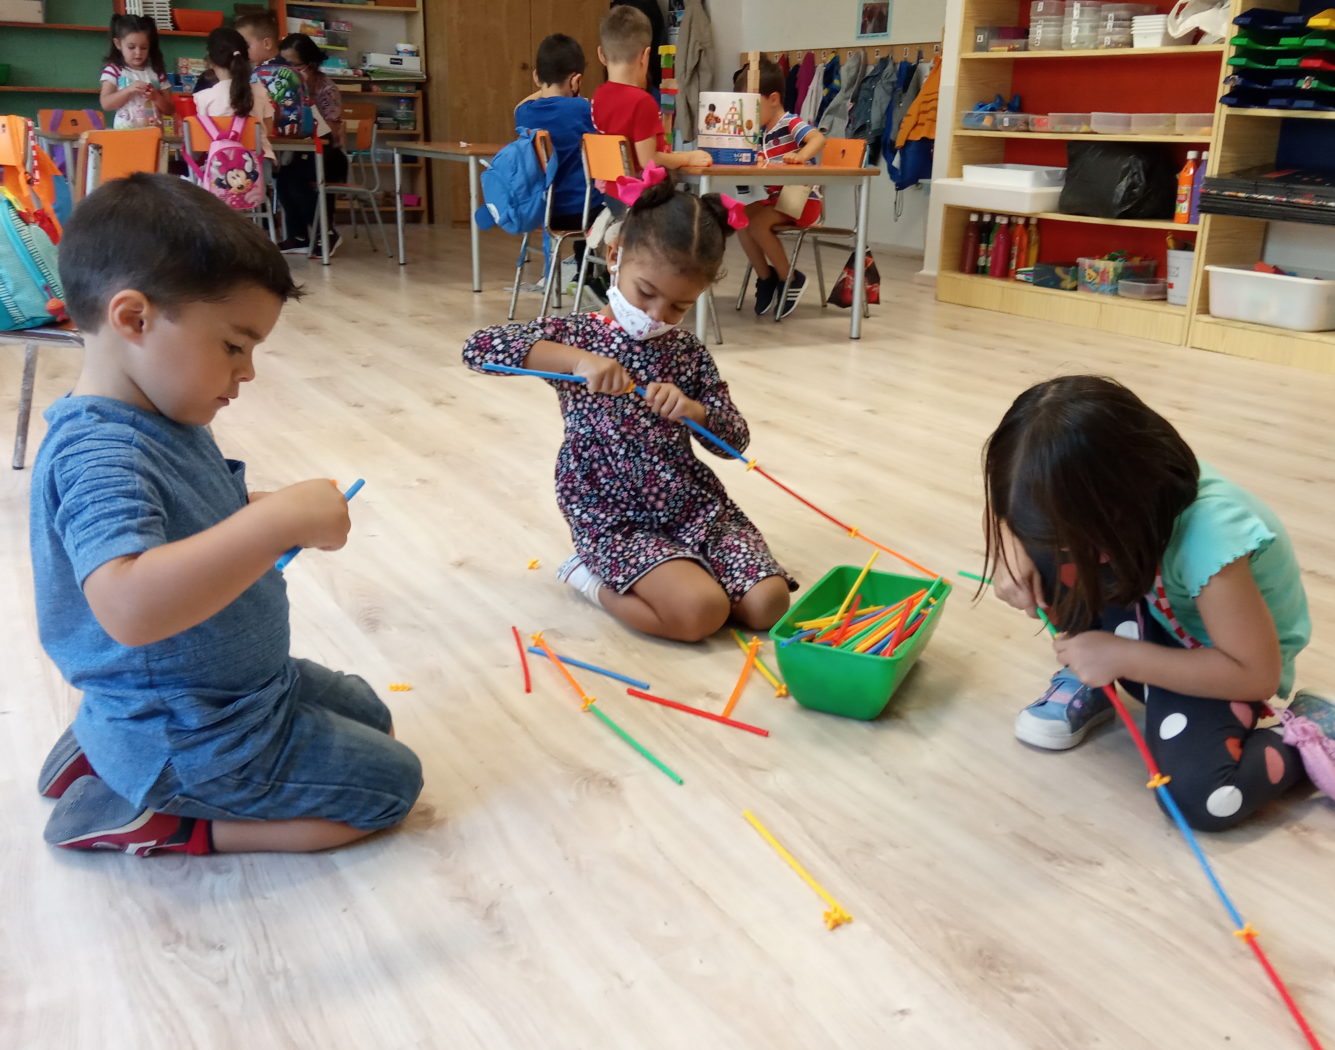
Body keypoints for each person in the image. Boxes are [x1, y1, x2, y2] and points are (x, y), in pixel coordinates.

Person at [31, 174, 422, 857]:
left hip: (224, 688)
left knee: (373, 715)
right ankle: (157, 818)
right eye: (235, 346)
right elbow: (128, 607)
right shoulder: (101, 453)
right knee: (389, 786)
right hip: (194, 728)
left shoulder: (160, 412)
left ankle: (108, 742)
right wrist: (273, 525)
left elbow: (178, 515)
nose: (247, 372)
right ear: (134, 319)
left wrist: (250, 508)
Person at [983, 375, 1335, 831]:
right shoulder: (1118, 486)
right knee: (1046, 549)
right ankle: (1094, 675)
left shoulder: (1209, 536)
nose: (1070, 552)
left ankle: (1312, 734)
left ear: (1129, 494)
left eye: (1084, 538)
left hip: (1222, 660)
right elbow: (1012, 507)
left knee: (1203, 798)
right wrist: (1012, 548)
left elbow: (1256, 674)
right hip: (1156, 612)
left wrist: (1124, 657)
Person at [462, 170, 793, 643]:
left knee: (768, 605)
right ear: (615, 256)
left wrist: (695, 412)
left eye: (679, 306)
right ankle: (588, 578)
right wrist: (578, 361)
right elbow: (479, 349)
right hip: (612, 513)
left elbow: (735, 441)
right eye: (646, 293)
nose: (657, 315)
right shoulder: (578, 335)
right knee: (701, 612)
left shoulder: (688, 352)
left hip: (691, 504)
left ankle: (682, 572)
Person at [592, 4, 709, 199]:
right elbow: (648, 160)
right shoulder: (641, 101)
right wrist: (687, 157)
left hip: (613, 196)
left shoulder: (599, 96)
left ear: (601, 55)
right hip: (643, 199)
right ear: (645, 56)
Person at [739, 59, 826, 321]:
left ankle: (790, 278)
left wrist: (800, 157)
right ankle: (766, 277)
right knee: (739, 218)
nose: (748, 113)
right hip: (778, 199)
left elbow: (817, 139)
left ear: (773, 99)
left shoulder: (789, 122)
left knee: (758, 225)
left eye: (752, 106)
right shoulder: (762, 132)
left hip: (803, 199)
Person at [515, 34, 600, 294]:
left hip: (543, 211)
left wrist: (544, 88)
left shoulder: (524, 114)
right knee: (607, 199)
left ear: (536, 76)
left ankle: (582, 272)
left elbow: (520, 105)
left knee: (587, 195)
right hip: (581, 214)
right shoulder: (584, 109)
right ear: (576, 80)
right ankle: (591, 275)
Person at [277, 32, 348, 258]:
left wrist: (306, 97)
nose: (289, 71)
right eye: (284, 65)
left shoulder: (326, 88)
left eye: (294, 65)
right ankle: (298, 236)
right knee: (283, 179)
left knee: (298, 179)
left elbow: (331, 131)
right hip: (301, 151)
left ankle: (326, 233)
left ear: (310, 64)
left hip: (329, 153)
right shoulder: (285, 88)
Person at [194, 27, 276, 161]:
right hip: (259, 163)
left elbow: (203, 137)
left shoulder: (203, 98)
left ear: (211, 62)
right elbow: (268, 129)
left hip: (221, 165)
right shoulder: (260, 91)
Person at [234, 11, 309, 140]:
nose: (242, 51)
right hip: (298, 138)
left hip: (268, 138)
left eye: (246, 45)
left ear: (267, 44)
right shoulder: (295, 71)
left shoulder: (258, 74)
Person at [99, 14, 172, 130]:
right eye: (131, 47)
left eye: (143, 48)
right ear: (118, 44)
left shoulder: (156, 72)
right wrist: (128, 90)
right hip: (124, 135)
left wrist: (156, 97)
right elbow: (106, 103)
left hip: (153, 135)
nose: (138, 53)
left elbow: (170, 109)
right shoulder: (114, 70)